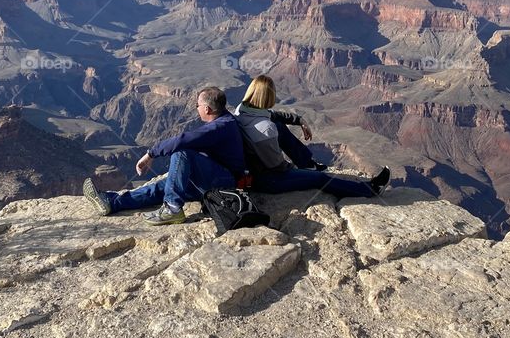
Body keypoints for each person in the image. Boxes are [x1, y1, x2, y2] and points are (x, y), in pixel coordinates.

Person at [83, 86, 245, 225]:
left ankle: (173, 208)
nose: (196, 108)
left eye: (197, 105)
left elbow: (183, 140)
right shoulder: (224, 122)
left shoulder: (220, 127)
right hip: (211, 177)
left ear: (207, 109)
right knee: (161, 188)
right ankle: (112, 202)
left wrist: (150, 154)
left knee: (181, 152)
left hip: (224, 181)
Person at [234, 75, 391, 198]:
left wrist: (298, 120)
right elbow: (277, 166)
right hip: (267, 180)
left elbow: (271, 114)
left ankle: (307, 164)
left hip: (254, 170)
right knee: (319, 179)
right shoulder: (266, 129)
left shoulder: (242, 109)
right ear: (269, 97)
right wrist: (294, 169)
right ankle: (370, 189)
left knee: (279, 125)